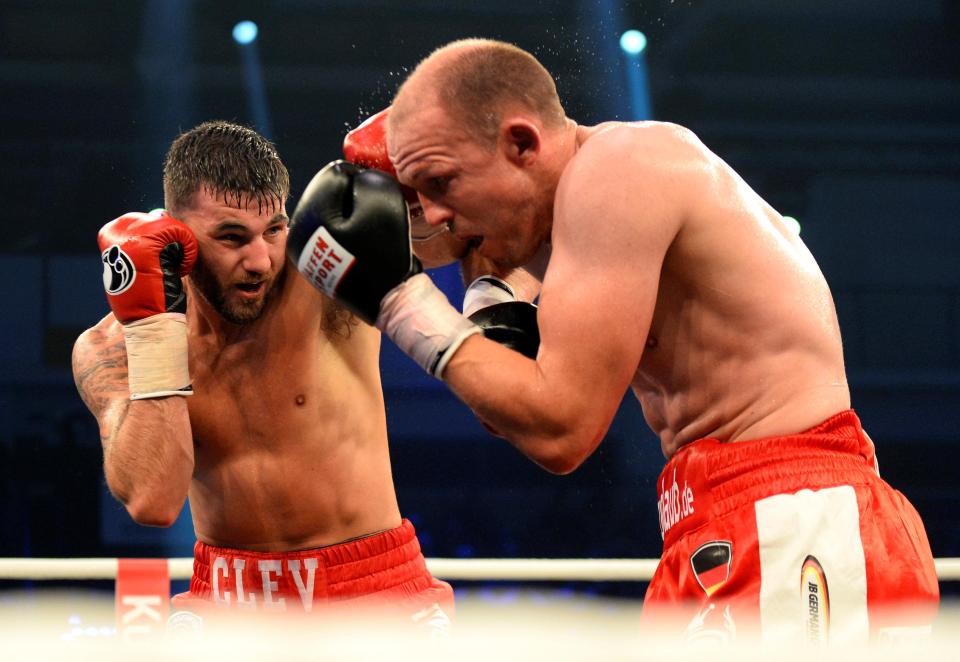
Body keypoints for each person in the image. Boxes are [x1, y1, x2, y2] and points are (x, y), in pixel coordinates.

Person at [287, 39, 939, 643]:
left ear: (520, 143)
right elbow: (510, 404)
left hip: (792, 516)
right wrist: (475, 281)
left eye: (442, 184)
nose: (432, 215)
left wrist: (397, 300)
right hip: (718, 521)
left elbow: (561, 431)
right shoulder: (576, 225)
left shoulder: (618, 170)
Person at [71, 120, 453, 632]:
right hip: (228, 595)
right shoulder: (112, 346)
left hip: (371, 587)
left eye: (273, 230)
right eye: (231, 237)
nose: (260, 260)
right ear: (177, 238)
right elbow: (153, 501)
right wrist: (154, 333)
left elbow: (460, 233)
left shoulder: (321, 272)